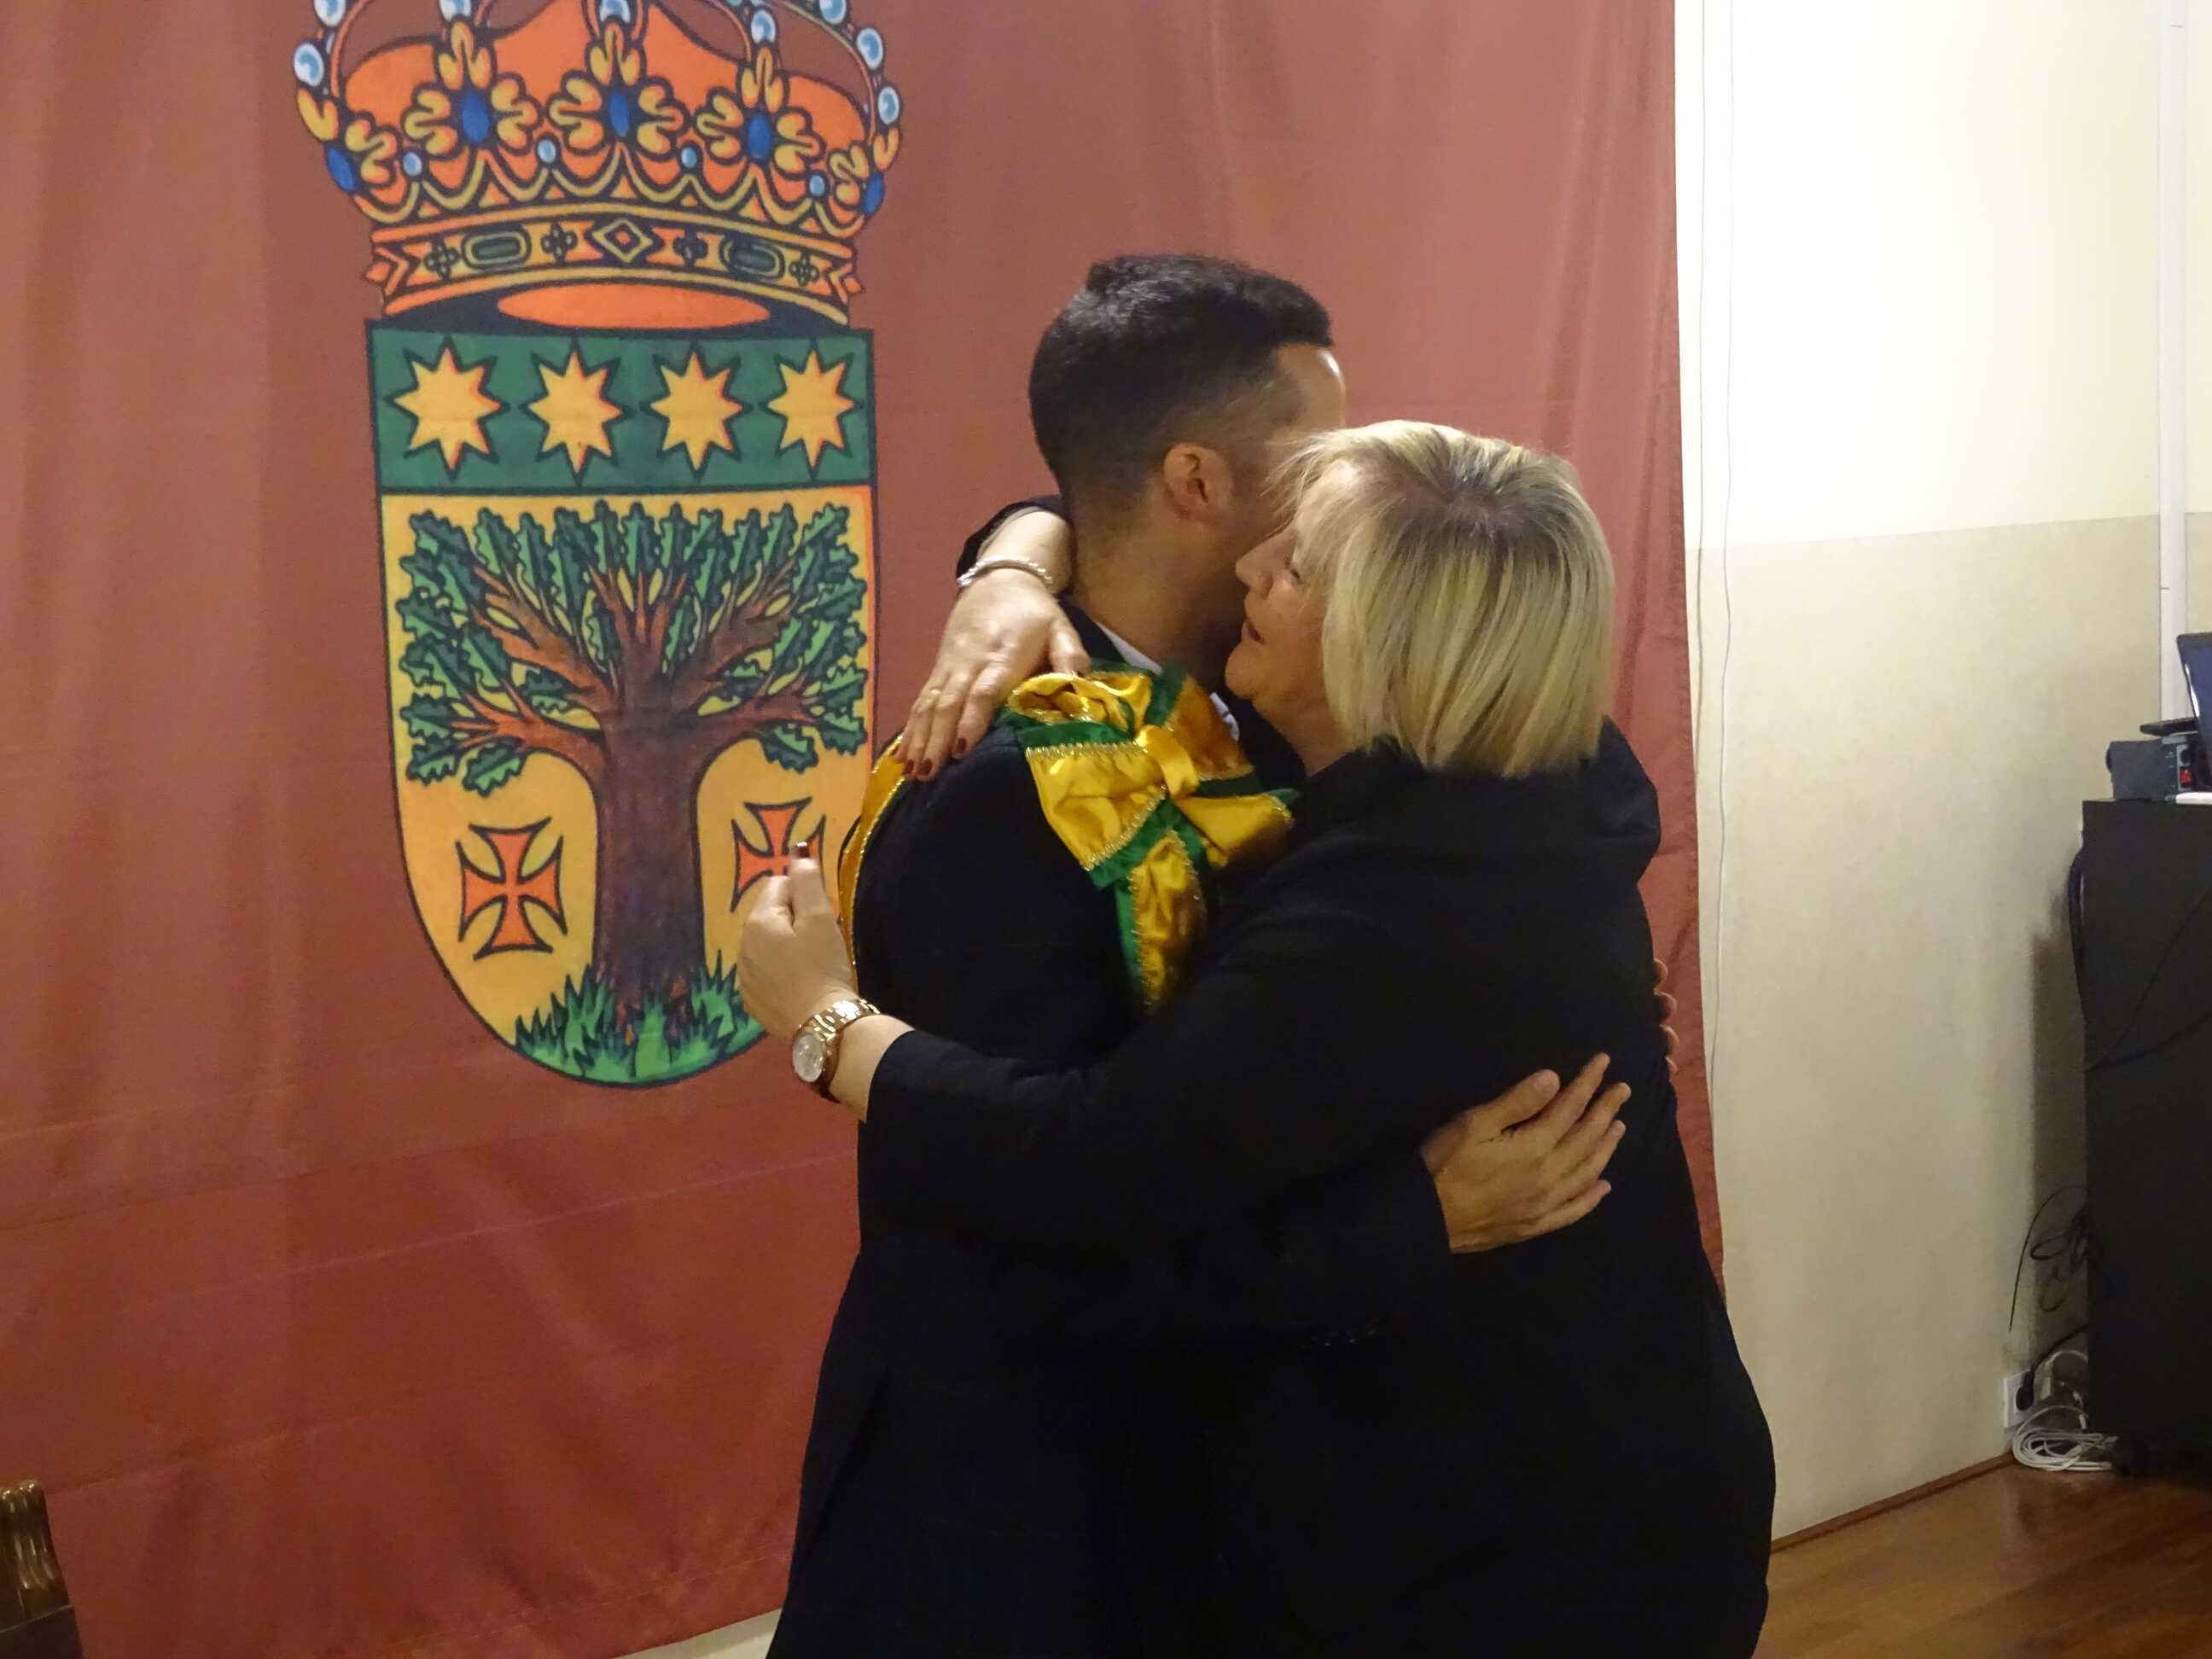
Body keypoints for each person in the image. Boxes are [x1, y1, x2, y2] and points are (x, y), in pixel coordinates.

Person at [743, 420, 1777, 1656]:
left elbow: (1093, 1153)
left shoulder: (1387, 919)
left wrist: (830, 1030)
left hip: (1533, 1554)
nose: (1248, 565)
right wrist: (1014, 562)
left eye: (1296, 567)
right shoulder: (1533, 769)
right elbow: (1119, 513)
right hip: (1604, 1464)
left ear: (1381, 646)